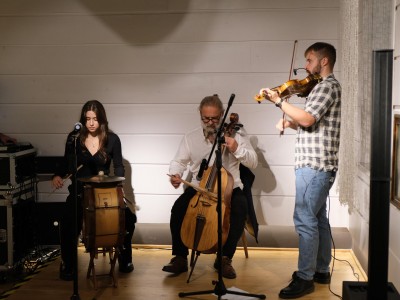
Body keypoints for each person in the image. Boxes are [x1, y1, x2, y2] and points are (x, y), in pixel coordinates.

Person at [260, 42, 341, 299]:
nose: (306, 67)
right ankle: (320, 270)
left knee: (305, 220)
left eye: (309, 60)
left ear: (324, 61)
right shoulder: (320, 87)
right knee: (318, 219)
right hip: (318, 164)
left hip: (313, 166)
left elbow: (308, 119)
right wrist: (290, 122)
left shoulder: (327, 86)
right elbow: (311, 126)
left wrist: (278, 102)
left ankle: (304, 277)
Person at [162, 95, 258, 279]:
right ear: (200, 115)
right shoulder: (191, 137)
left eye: (214, 118)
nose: (210, 122)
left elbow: (253, 162)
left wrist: (236, 147)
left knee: (240, 207)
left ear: (222, 115)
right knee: (178, 208)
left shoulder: (236, 135)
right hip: (201, 188)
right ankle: (180, 257)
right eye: (206, 118)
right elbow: (178, 161)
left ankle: (224, 258)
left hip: (230, 188)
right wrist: (176, 174)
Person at [51, 100, 136, 281]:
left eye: (95, 119)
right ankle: (68, 263)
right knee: (67, 222)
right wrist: (57, 176)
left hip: (104, 191)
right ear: (83, 119)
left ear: (102, 120)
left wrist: (118, 185)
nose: (91, 123)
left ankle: (125, 259)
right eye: (87, 119)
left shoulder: (112, 139)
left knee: (128, 219)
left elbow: (119, 167)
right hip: (80, 190)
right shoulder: (74, 139)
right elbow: (67, 163)